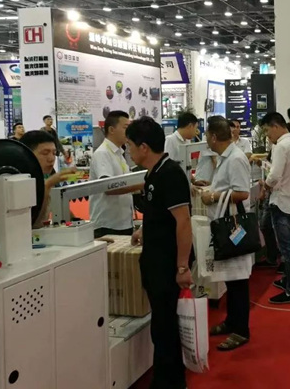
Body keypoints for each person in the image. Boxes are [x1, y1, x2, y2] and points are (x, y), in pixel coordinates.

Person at [127, 117, 192, 389]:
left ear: (143, 147)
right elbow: (161, 214)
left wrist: (182, 266)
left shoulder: (170, 173)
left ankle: (169, 381)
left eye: (130, 146)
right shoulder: (153, 173)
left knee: (165, 327)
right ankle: (169, 378)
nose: (128, 151)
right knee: (161, 325)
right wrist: (145, 229)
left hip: (167, 264)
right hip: (154, 260)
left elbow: (183, 221)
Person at [200, 116, 253, 350]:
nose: (205, 139)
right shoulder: (225, 157)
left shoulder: (235, 159)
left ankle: (241, 330)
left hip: (234, 227)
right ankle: (232, 321)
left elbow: (242, 193)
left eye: (206, 135)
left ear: (213, 137)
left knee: (238, 280)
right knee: (231, 279)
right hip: (224, 224)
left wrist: (212, 196)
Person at [260, 112, 290, 304]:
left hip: (282, 202)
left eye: (267, 131)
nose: (267, 135)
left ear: (275, 126)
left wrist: (265, 186)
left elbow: (274, 175)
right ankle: (288, 280)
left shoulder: (281, 146)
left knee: (288, 251)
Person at [89, 111, 143, 238]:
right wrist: (141, 185)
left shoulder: (119, 154)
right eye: (125, 127)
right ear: (111, 130)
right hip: (107, 225)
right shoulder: (102, 153)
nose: (129, 132)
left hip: (123, 223)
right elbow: (108, 187)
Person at [19, 130, 74, 228]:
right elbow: (35, 222)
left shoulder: (48, 179)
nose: (51, 158)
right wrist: (47, 186)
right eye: (45, 153)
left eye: (54, 153)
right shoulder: (17, 184)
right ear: (27, 155)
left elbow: (66, 214)